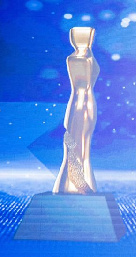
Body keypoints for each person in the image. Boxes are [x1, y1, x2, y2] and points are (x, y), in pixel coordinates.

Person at [53, 27, 99, 194]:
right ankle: (74, 184)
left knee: (83, 142)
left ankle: (81, 182)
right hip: (80, 104)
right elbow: (82, 85)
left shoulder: (87, 56)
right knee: (76, 143)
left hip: (86, 103)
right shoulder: (77, 59)